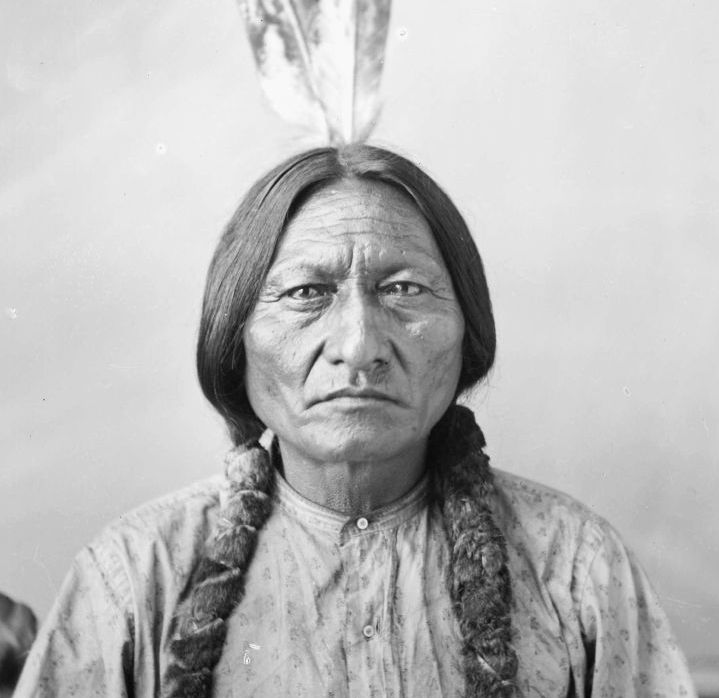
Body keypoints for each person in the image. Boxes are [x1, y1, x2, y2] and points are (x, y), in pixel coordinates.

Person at [15, 145, 695, 697]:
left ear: (466, 331)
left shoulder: (574, 567)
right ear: (234, 336)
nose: (359, 344)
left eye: (403, 289)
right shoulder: (134, 577)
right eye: (307, 293)